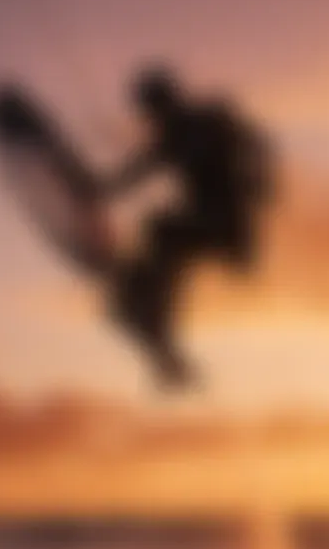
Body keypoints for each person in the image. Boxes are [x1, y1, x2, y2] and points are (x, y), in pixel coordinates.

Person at [98, 64, 276, 391]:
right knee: (159, 248)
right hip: (207, 225)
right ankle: (155, 332)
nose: (154, 119)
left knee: (163, 234)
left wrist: (262, 180)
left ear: (170, 100)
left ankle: (154, 322)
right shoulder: (171, 139)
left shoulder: (209, 119)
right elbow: (138, 169)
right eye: (150, 112)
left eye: (156, 109)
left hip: (228, 225)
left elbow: (255, 142)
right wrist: (103, 187)